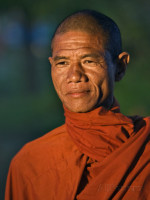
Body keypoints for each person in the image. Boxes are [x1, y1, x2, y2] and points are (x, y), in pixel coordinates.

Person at [5, 10, 150, 200]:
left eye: (89, 60)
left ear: (120, 67)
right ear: (51, 66)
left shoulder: (144, 149)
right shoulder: (30, 163)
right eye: (63, 63)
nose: (74, 76)